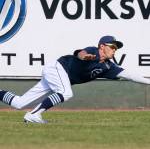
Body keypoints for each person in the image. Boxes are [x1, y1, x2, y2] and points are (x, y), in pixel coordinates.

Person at [0, 35, 150, 123]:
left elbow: (130, 75)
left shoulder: (109, 67)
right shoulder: (93, 50)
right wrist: (85, 57)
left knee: (19, 103)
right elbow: (80, 54)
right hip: (58, 68)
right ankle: (33, 114)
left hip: (58, 75)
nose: (114, 49)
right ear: (102, 46)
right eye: (112, 46)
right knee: (66, 93)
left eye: (116, 48)